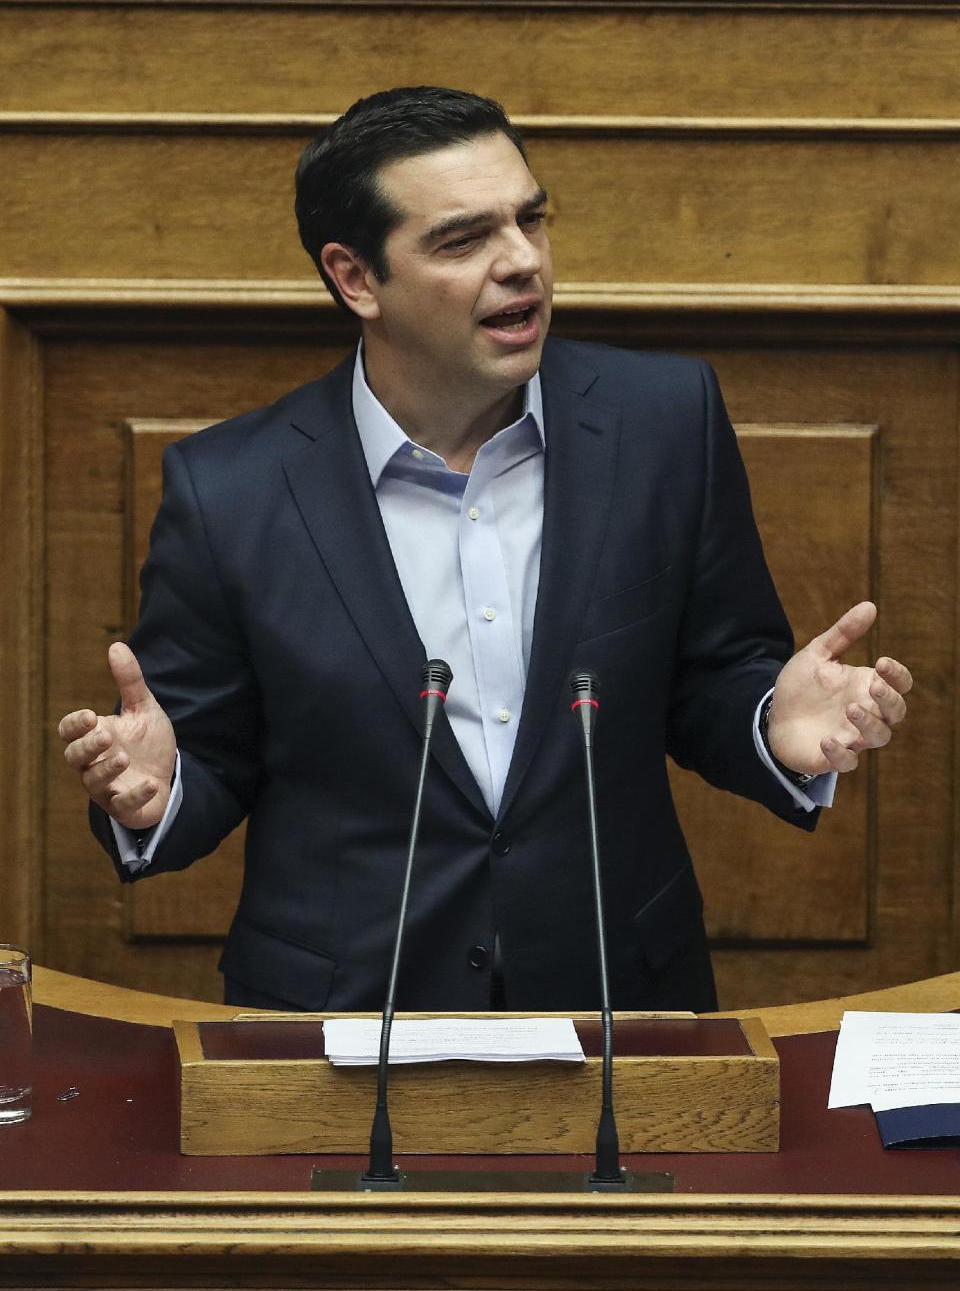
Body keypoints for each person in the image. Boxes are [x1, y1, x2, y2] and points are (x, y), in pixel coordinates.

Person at [58, 87, 912, 1014]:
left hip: (617, 1007)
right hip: (339, 1025)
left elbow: (717, 676)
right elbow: (205, 753)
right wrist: (157, 790)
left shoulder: (663, 423)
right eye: (464, 240)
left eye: (531, 219)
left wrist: (769, 723)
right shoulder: (229, 488)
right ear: (356, 278)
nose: (523, 262)